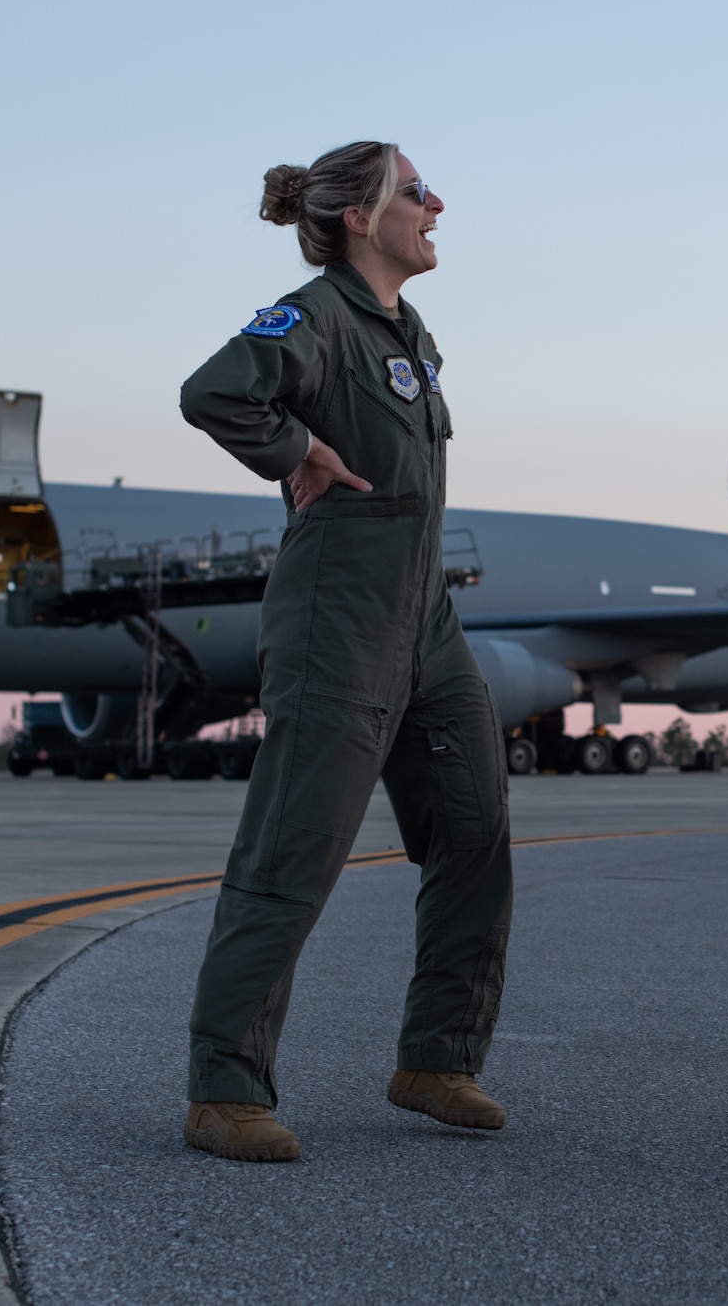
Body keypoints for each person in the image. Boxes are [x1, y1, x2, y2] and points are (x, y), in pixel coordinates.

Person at [175, 141, 514, 1162]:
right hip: (340, 618)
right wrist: (295, 451)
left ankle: (435, 1059)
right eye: (415, 192)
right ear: (361, 219)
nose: (435, 202)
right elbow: (212, 392)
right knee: (292, 852)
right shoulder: (313, 315)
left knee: (474, 833)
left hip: (425, 619)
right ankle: (223, 1090)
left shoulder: (407, 329)